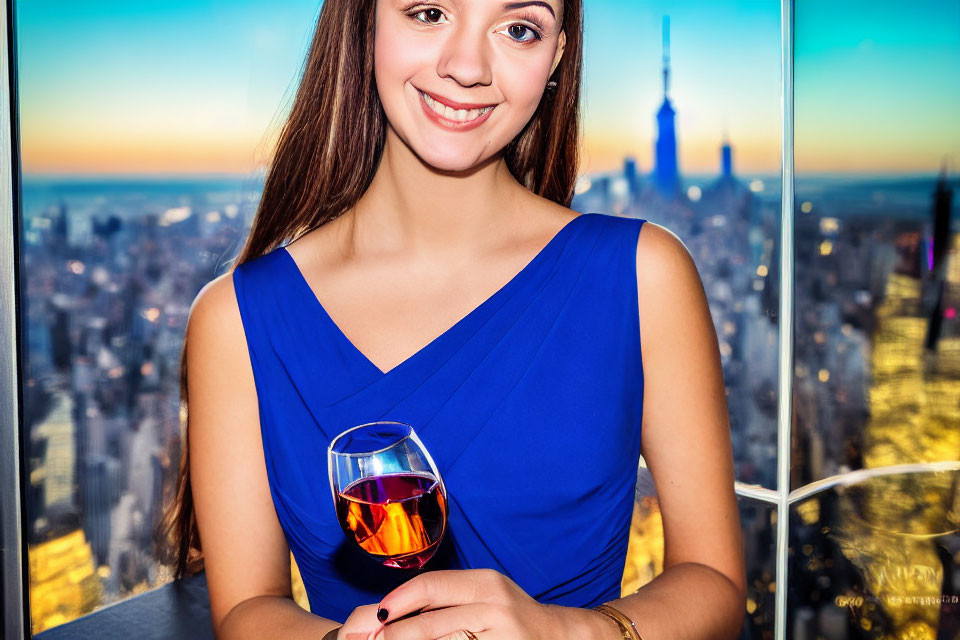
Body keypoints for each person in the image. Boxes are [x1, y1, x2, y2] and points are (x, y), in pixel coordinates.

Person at [156, 0, 746, 638]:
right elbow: (247, 609)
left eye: (518, 29)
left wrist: (570, 633)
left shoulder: (642, 274)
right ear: (366, 24)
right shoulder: (236, 318)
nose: (467, 66)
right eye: (429, 11)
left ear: (555, 56)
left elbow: (712, 578)